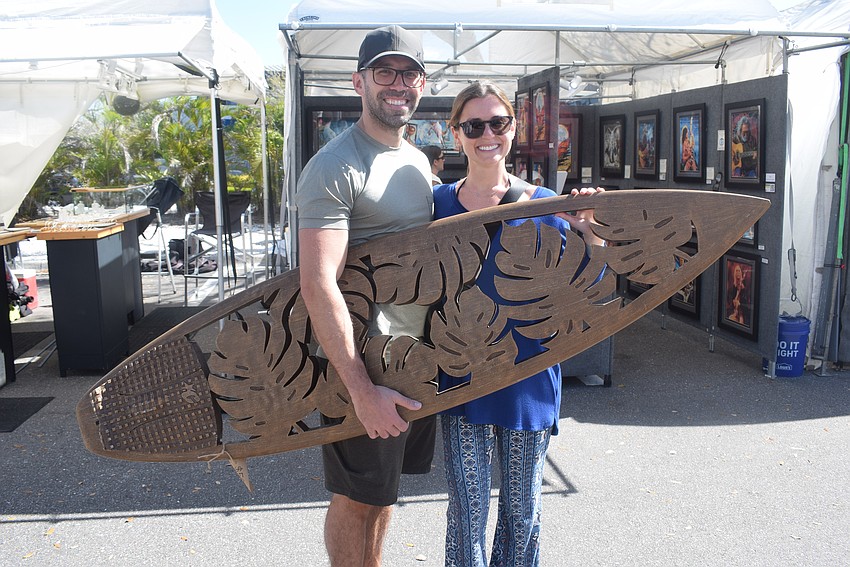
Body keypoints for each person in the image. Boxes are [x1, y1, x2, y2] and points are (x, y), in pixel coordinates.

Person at [433, 80, 604, 567]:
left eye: (498, 122)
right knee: (466, 510)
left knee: (522, 508)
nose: (487, 133)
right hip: (461, 371)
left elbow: (587, 283)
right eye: (474, 125)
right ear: (457, 133)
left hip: (528, 370)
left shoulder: (545, 204)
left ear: (513, 128)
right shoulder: (436, 205)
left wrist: (593, 232)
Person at [294, 25, 436, 567]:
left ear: (421, 86)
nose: (398, 84)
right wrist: (358, 388)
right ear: (359, 82)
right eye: (385, 72)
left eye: (410, 73)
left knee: (383, 491)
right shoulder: (334, 165)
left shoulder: (417, 161)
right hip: (360, 361)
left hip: (412, 354)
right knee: (356, 497)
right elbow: (317, 282)